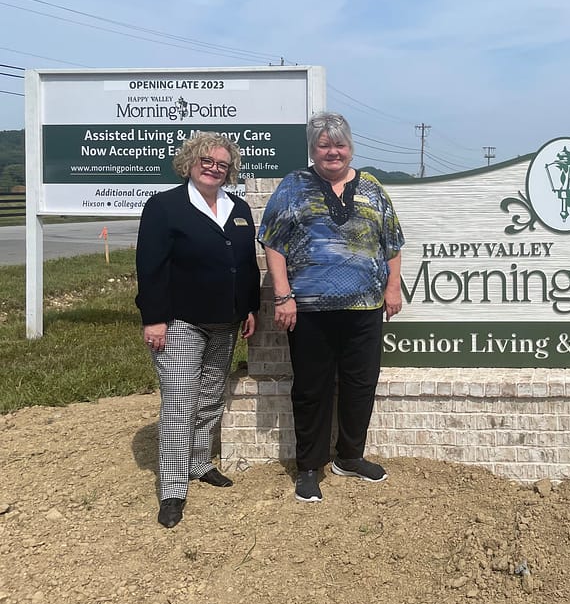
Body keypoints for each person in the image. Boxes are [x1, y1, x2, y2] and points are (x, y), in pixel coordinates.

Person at [258, 112, 404, 503]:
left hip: (365, 309)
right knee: (311, 389)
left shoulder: (372, 188)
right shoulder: (294, 187)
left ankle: (350, 457)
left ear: (350, 147)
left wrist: (393, 288)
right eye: (324, 145)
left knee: (360, 385)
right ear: (313, 149)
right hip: (309, 311)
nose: (332, 152)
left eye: (339, 144)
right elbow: (273, 242)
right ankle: (309, 467)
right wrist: (283, 295)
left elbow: (392, 243)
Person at [135, 132, 259, 529]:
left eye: (222, 164)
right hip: (180, 322)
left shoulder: (237, 208)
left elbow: (246, 263)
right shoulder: (165, 207)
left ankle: (199, 462)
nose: (214, 168)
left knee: (209, 396)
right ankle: (172, 488)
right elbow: (150, 266)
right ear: (190, 161)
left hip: (226, 321)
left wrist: (251, 307)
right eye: (207, 160)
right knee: (179, 402)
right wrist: (153, 318)